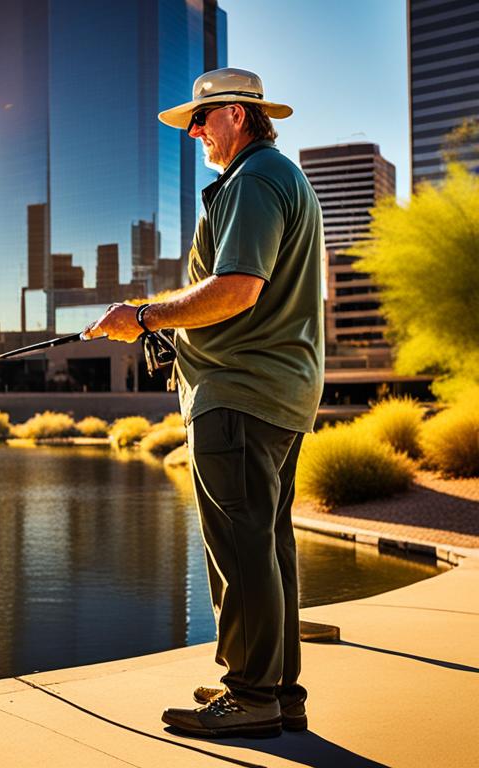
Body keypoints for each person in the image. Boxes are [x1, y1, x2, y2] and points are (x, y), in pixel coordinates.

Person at [84, 67, 324, 738]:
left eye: (200, 119)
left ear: (238, 116)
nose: (192, 131)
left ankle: (249, 696)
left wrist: (143, 315)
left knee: (242, 546)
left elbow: (238, 288)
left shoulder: (252, 180)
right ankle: (276, 690)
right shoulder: (279, 177)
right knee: (268, 546)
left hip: (240, 394)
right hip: (273, 391)